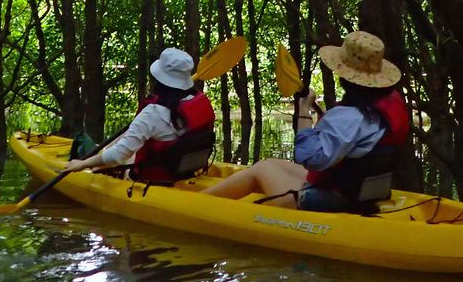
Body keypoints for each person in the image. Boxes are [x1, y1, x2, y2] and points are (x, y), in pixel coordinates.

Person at [202, 31, 408, 211]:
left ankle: (198, 204)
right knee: (270, 163)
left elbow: (310, 158)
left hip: (334, 199)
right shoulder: (386, 104)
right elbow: (347, 143)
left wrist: (303, 110)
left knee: (261, 169)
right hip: (357, 191)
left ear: (345, 77)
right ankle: (207, 199)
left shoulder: (348, 117)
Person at [63, 47, 215, 183]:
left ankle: (89, 163)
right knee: (120, 140)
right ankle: (98, 153)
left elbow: (118, 156)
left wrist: (81, 164)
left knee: (109, 158)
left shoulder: (153, 113)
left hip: (152, 178)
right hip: (187, 172)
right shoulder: (200, 102)